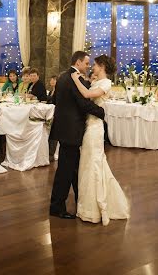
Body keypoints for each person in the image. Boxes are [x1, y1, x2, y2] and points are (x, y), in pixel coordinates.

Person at [70, 54, 129, 225]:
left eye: (94, 65)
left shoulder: (106, 83)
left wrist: (75, 79)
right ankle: (88, 205)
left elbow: (87, 95)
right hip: (89, 125)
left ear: (102, 65)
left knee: (93, 163)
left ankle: (94, 208)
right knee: (88, 163)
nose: (92, 68)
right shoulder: (97, 81)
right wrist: (86, 79)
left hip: (95, 129)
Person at [50, 51, 106, 220]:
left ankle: (82, 200)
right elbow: (83, 103)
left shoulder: (63, 76)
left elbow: (55, 101)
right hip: (71, 130)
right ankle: (56, 206)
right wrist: (103, 112)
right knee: (65, 171)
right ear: (79, 62)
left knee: (73, 168)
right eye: (87, 63)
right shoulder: (74, 78)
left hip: (65, 128)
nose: (88, 66)